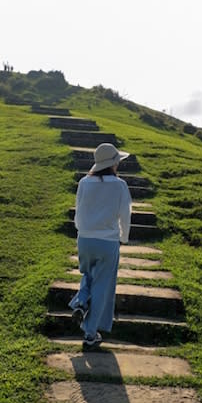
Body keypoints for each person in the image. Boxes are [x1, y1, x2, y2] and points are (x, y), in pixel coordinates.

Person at [69, 143, 132, 349]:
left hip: (85, 238)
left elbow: (78, 211)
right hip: (107, 241)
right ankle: (89, 334)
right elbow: (125, 214)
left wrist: (82, 230)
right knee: (102, 286)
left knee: (88, 275)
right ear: (113, 163)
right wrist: (123, 238)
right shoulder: (120, 185)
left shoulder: (84, 182)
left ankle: (80, 302)